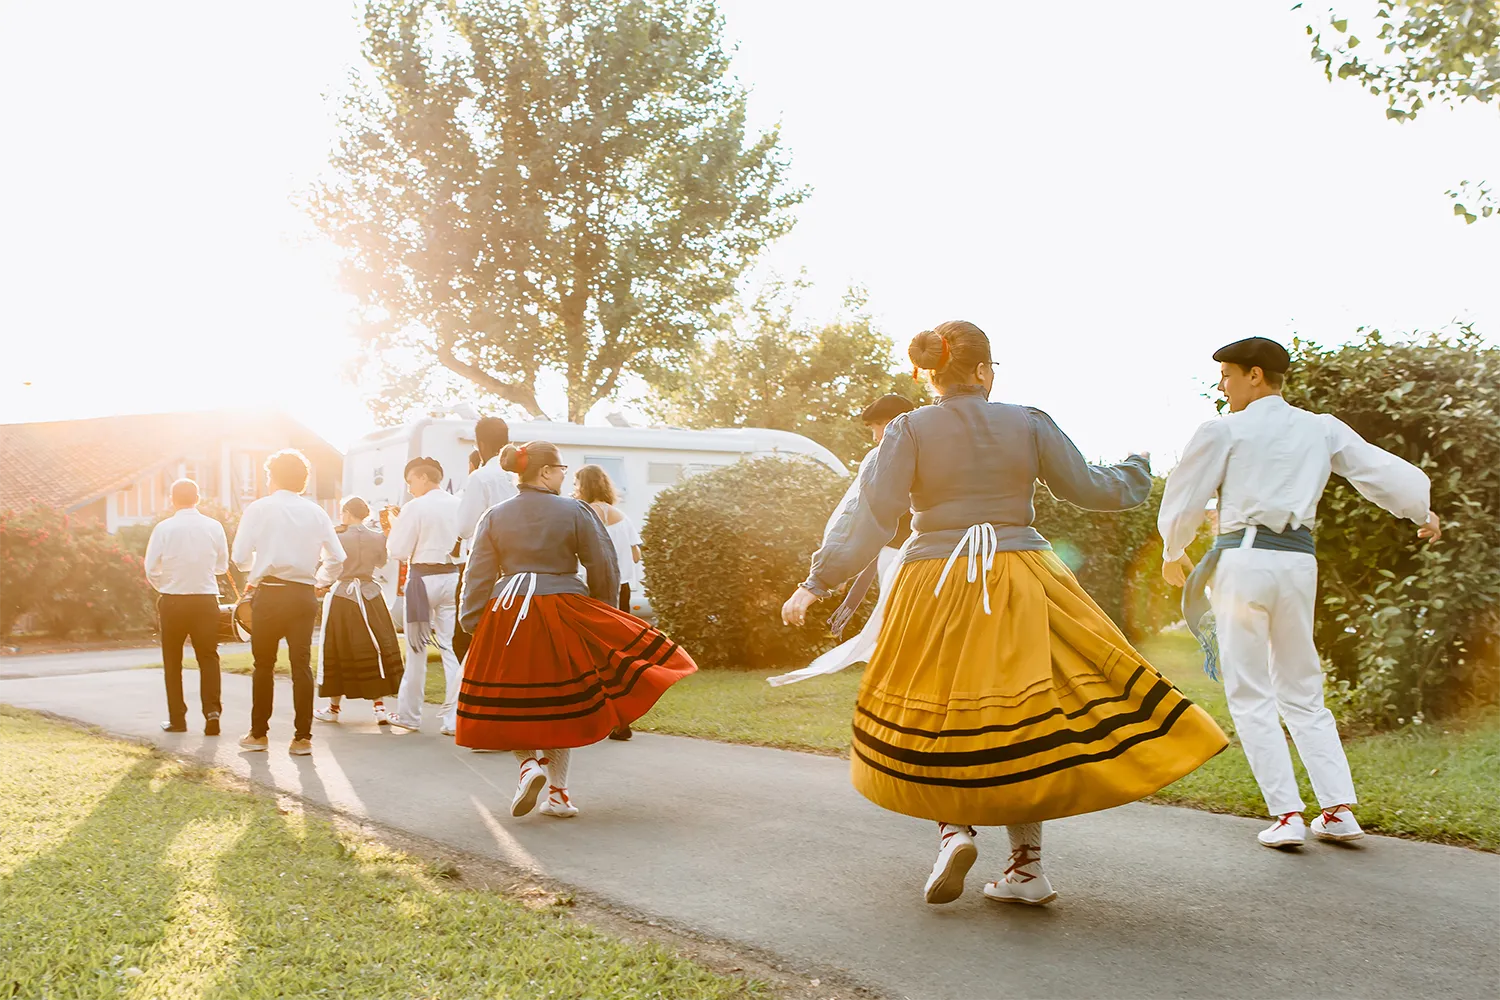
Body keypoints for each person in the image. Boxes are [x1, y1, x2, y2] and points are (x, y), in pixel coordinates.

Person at [781, 321, 1228, 907]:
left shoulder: (909, 429)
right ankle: (1026, 867)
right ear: (985, 370)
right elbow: (1088, 487)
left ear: (931, 374)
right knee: (1029, 719)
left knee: (940, 712)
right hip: (1023, 577)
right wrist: (1137, 470)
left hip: (935, 581)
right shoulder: (1028, 421)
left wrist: (817, 582)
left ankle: (954, 830)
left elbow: (874, 517)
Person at [1159, 336, 1439, 849]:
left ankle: (1287, 815)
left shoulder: (1223, 430)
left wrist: (1172, 549)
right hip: (1297, 564)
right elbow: (1376, 469)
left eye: (1226, 375)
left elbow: (1186, 494)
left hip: (1244, 562)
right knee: (1302, 686)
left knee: (1250, 689)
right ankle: (1336, 810)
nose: (1222, 386)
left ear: (1255, 375)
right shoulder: (1320, 428)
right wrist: (1421, 511)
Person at [457, 440, 697, 819]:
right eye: (561, 469)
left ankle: (527, 766)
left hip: (507, 612)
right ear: (546, 472)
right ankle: (559, 794)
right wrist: (604, 613)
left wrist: (473, 619)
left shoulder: (494, 515)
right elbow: (602, 563)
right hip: (562, 607)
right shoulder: (575, 511)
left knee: (515, 697)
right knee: (560, 700)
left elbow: (478, 573)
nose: (564, 476)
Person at [770, 393, 917, 687]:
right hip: (907, 554)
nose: (876, 436)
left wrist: (821, 579)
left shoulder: (885, 457)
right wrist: (839, 567)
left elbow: (858, 515)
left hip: (910, 558)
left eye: (879, 425)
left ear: (896, 422)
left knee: (902, 630)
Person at [232, 450, 346, 755]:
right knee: (301, 665)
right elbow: (337, 558)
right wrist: (320, 581)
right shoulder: (317, 512)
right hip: (303, 594)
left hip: (269, 593)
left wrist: (257, 568)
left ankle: (259, 735)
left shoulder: (258, 509)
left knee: (263, 665)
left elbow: (240, 556)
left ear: (273, 476)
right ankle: (302, 738)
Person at [143, 478, 229, 735]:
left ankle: (177, 719)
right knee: (208, 657)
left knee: (173, 660)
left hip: (173, 599)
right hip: (205, 599)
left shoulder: (164, 528)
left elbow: (150, 567)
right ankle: (212, 714)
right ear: (198, 498)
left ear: (172, 499)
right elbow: (222, 565)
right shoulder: (214, 526)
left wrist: (166, 584)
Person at [386, 456, 463, 735]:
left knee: (417, 649)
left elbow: (396, 550)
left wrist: (395, 525)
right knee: (449, 648)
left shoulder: (415, 507)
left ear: (422, 478)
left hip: (421, 582)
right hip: (452, 578)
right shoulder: (458, 504)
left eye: (410, 482)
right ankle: (454, 719)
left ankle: (409, 715)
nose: (409, 489)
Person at [313, 497, 404, 726]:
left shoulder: (338, 538)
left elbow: (331, 566)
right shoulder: (377, 537)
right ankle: (380, 707)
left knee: (338, 648)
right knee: (374, 648)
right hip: (371, 594)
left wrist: (319, 582)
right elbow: (382, 563)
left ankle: (334, 708)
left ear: (346, 512)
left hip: (344, 595)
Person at [572, 463, 644, 740]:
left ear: (584, 486)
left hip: (591, 589)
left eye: (577, 484)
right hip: (621, 590)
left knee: (587, 655)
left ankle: (590, 715)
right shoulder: (622, 517)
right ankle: (621, 720)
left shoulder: (583, 515)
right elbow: (636, 555)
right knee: (615, 654)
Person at [454, 418, 519, 661]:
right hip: (520, 568)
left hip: (487, 568)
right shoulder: (519, 475)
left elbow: (464, 528)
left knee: (468, 639)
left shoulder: (481, 477)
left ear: (480, 443)